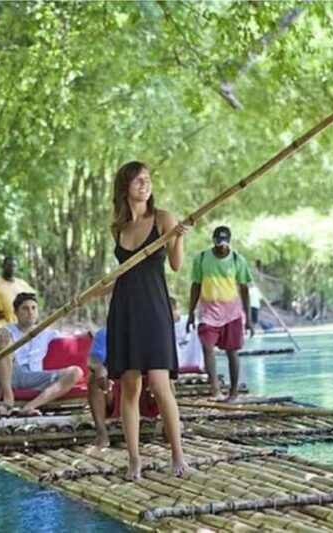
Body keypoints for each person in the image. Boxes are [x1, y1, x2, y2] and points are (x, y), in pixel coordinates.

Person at [105, 160, 191, 480]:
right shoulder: (119, 227)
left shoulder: (164, 218)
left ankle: (178, 455)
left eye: (148, 179)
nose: (145, 183)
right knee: (129, 385)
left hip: (155, 309)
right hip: (124, 310)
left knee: (159, 383)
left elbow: (177, 265)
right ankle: (134, 459)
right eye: (138, 179)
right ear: (124, 187)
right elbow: (120, 277)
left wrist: (178, 237)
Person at [187, 225, 254, 401]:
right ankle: (215, 389)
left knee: (232, 351)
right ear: (214, 242)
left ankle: (233, 392)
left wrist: (249, 319)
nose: (222, 246)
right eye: (219, 242)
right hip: (208, 312)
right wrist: (191, 313)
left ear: (229, 242)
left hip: (231, 313)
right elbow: (195, 286)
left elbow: (245, 289)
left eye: (225, 243)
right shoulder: (201, 259)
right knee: (207, 348)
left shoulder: (237, 260)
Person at [0, 292, 82, 416]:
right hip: (11, 373)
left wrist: (89, 334)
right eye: (25, 308)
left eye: (33, 308)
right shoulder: (8, 330)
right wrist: (1, 333)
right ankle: (8, 397)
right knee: (2, 339)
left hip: (34, 377)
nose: (30, 312)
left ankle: (29, 407)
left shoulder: (46, 333)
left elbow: (73, 339)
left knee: (76, 372)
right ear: (16, 313)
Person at [87, 327, 113, 447]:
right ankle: (102, 432)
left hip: (143, 383)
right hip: (113, 386)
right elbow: (92, 360)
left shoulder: (148, 330)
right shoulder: (105, 332)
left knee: (163, 380)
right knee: (94, 379)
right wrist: (99, 367)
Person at [170, 297, 204, 371]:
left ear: (175, 308)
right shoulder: (164, 329)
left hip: (196, 367)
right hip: (176, 370)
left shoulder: (192, 322)